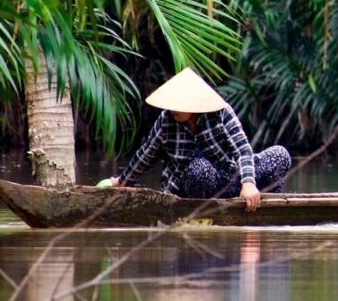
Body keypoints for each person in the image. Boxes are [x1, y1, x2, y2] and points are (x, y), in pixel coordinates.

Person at [101, 67, 291, 211]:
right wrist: (123, 181)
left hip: (228, 178)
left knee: (280, 155)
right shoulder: (167, 120)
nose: (173, 109)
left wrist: (248, 182)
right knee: (199, 169)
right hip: (191, 185)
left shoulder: (221, 114)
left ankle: (259, 203)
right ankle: (205, 214)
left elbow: (242, 149)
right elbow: (146, 154)